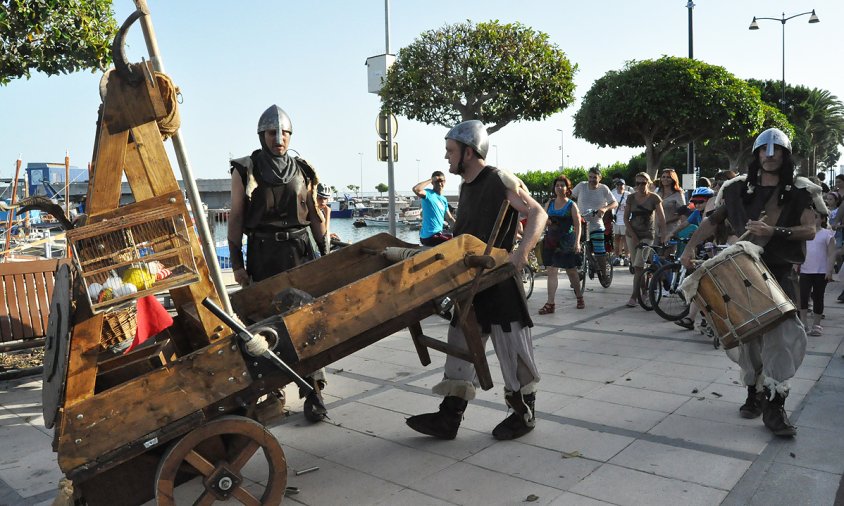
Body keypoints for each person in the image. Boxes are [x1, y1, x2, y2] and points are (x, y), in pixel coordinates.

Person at [406, 120, 547, 441]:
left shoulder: (499, 180)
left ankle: (523, 415)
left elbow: (538, 213)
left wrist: (521, 253)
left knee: (513, 351)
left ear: (468, 152)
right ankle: (448, 418)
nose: (446, 157)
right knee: (459, 347)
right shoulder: (466, 186)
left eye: (451, 151)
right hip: (470, 282)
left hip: (499, 282)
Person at [679, 128, 823, 437]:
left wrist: (776, 232)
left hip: (779, 272)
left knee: (782, 336)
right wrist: (689, 248)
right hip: (741, 273)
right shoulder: (735, 190)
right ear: (756, 154)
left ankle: (774, 403)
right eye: (764, 150)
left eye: (776, 151)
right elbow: (712, 221)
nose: (770, 156)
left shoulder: (799, 192)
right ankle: (754, 393)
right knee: (749, 339)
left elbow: (810, 230)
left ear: (785, 155)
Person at [228, 104, 330, 423]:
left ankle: (314, 390)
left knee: (307, 322)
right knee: (265, 323)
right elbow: (236, 217)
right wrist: (237, 262)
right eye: (272, 132)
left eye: (284, 132)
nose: (278, 138)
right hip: (263, 254)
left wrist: (325, 243)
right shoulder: (245, 169)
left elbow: (314, 216)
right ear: (262, 135)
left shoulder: (304, 169)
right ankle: (271, 392)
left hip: (301, 253)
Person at [538, 175, 583, 314]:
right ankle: (550, 303)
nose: (559, 187)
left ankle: (579, 296)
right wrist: (547, 223)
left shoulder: (571, 205)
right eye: (557, 185)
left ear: (567, 188)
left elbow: (577, 225)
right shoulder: (550, 203)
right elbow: (543, 219)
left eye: (562, 185)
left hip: (566, 242)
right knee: (551, 271)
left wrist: (577, 242)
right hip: (551, 241)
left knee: (571, 271)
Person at [623, 172, 667, 307]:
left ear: (649, 183)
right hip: (631, 235)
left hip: (647, 235)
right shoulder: (631, 198)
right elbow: (625, 218)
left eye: (643, 183)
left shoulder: (654, 198)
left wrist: (664, 235)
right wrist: (634, 236)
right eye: (637, 183)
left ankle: (634, 296)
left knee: (638, 266)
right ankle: (644, 291)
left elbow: (661, 218)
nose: (640, 186)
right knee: (638, 267)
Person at [571, 167, 617, 279]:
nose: (592, 179)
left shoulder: (604, 189)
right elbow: (571, 198)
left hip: (596, 224)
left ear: (600, 178)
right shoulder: (581, 186)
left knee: (599, 251)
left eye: (595, 177)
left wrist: (605, 209)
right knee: (577, 248)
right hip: (581, 222)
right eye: (590, 177)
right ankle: (582, 268)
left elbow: (614, 203)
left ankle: (604, 274)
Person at [799, 211, 836, 335]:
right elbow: (800, 250)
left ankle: (816, 325)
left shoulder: (827, 234)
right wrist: (796, 264)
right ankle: (803, 323)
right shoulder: (804, 234)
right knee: (803, 296)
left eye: (816, 217)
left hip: (821, 272)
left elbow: (831, 254)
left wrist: (829, 270)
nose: (813, 219)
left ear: (822, 219)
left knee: (818, 297)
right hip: (805, 270)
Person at [412, 171, 456, 246]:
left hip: (438, 234)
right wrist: (431, 179)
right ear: (432, 183)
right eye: (436, 182)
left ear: (444, 182)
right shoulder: (428, 193)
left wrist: (462, 227)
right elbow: (416, 189)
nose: (439, 184)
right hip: (429, 236)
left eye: (441, 181)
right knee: (453, 243)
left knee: (459, 239)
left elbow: (449, 218)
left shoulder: (444, 199)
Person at [656, 168, 686, 243]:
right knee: (652, 253)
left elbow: (682, 212)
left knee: (667, 253)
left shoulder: (678, 194)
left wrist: (665, 221)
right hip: (656, 230)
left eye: (668, 177)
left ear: (673, 179)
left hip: (670, 229)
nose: (665, 179)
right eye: (663, 177)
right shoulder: (657, 192)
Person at [610, 178, 630, 265]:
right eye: (618, 185)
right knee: (616, 238)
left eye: (621, 184)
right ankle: (617, 257)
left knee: (625, 239)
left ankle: (627, 257)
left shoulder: (628, 195)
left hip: (626, 220)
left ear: (624, 186)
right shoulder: (613, 194)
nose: (620, 186)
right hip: (616, 220)